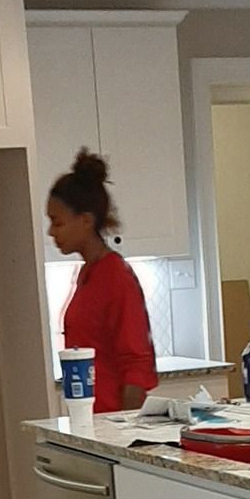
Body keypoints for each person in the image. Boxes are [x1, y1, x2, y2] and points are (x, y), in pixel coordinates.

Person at [46, 149, 159, 414]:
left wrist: (124, 432)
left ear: (85, 221)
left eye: (57, 222)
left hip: (110, 420)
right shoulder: (87, 274)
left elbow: (136, 365)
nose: (51, 231)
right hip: (89, 417)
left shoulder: (116, 276)